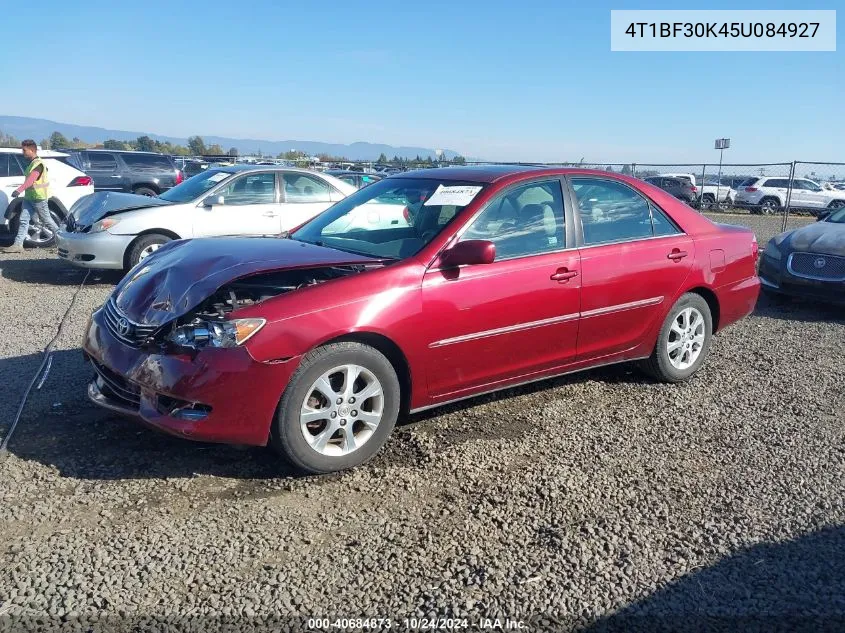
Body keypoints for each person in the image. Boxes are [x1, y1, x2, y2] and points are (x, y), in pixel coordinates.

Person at [1, 139, 60, 254]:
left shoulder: (38, 164)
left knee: (47, 220)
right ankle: (18, 245)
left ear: (32, 150)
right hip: (30, 197)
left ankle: (65, 241)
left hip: (39, 197)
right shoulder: (32, 163)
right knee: (24, 220)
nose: (22, 152)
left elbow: (31, 180)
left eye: (24, 150)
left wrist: (19, 190)